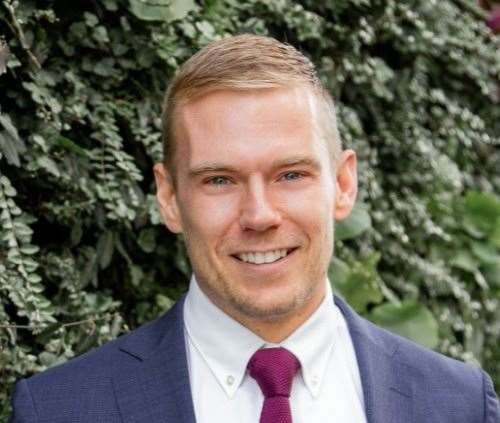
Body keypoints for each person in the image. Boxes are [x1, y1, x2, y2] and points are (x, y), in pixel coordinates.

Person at [9, 34, 499, 423]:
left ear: (344, 184)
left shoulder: (458, 405)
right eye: (220, 180)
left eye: (291, 175)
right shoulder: (60, 410)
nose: (260, 215)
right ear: (170, 198)